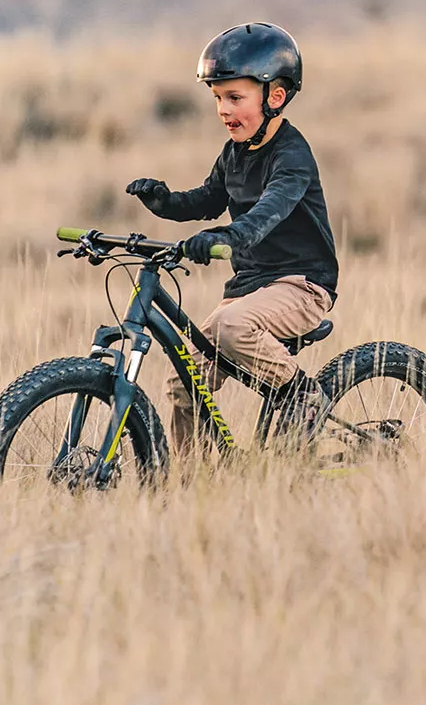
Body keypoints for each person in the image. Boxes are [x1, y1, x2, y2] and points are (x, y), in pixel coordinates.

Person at [125, 22, 338, 446]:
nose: (223, 109)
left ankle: (305, 396)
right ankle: (194, 484)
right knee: (184, 382)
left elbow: (266, 214)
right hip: (249, 289)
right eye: (218, 98)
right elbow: (207, 199)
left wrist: (226, 237)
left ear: (275, 96)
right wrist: (165, 202)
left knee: (228, 325)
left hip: (301, 285)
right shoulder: (235, 154)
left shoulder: (292, 156)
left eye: (235, 98)